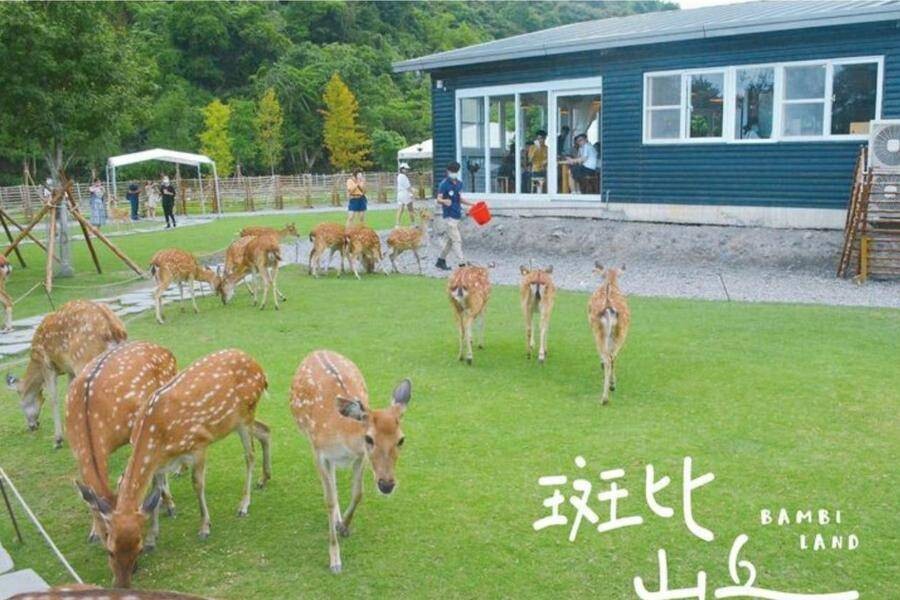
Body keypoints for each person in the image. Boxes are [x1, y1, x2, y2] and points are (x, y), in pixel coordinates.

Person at [435, 161, 473, 271]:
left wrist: (471, 204)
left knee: (450, 241)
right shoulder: (444, 184)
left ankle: (440, 260)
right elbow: (438, 198)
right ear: (448, 171)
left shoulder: (459, 183)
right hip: (448, 216)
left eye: (456, 171)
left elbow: (459, 199)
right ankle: (462, 263)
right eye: (452, 171)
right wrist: (444, 201)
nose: (454, 173)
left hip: (457, 215)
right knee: (457, 240)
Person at [395, 163, 414, 227]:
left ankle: (397, 224)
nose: (407, 170)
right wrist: (413, 192)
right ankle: (413, 223)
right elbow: (408, 187)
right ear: (402, 169)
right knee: (410, 208)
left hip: (400, 194)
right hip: (405, 193)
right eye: (406, 169)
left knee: (400, 209)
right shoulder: (404, 177)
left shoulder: (399, 176)